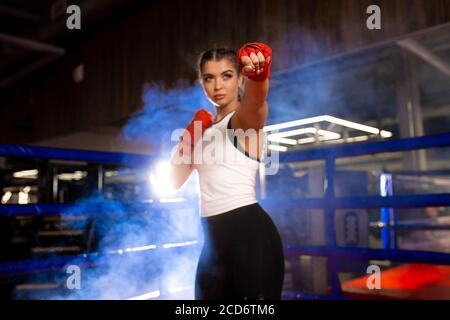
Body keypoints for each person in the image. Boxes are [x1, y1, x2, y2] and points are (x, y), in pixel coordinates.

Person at [169, 42, 284, 300]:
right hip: (212, 243)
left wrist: (259, 75)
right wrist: (189, 137)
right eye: (209, 78)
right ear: (201, 83)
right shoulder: (203, 129)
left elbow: (256, 102)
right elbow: (173, 180)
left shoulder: (242, 120)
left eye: (227, 76)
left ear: (240, 79)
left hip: (250, 237)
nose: (218, 86)